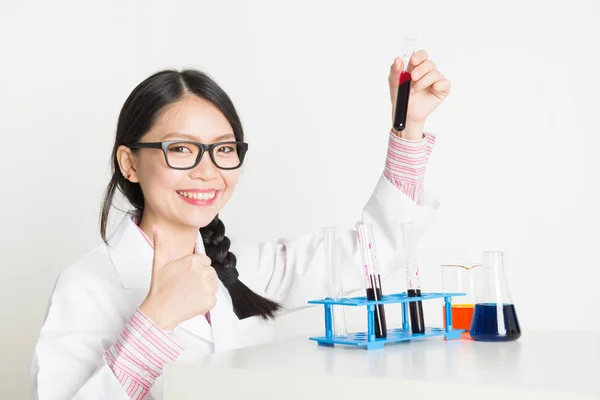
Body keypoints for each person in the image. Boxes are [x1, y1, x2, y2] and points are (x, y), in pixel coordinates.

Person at [30, 51, 450, 399]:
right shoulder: (87, 285)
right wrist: (154, 320)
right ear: (129, 163)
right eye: (181, 148)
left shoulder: (245, 269)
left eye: (223, 149)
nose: (207, 171)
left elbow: (373, 252)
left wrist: (407, 127)